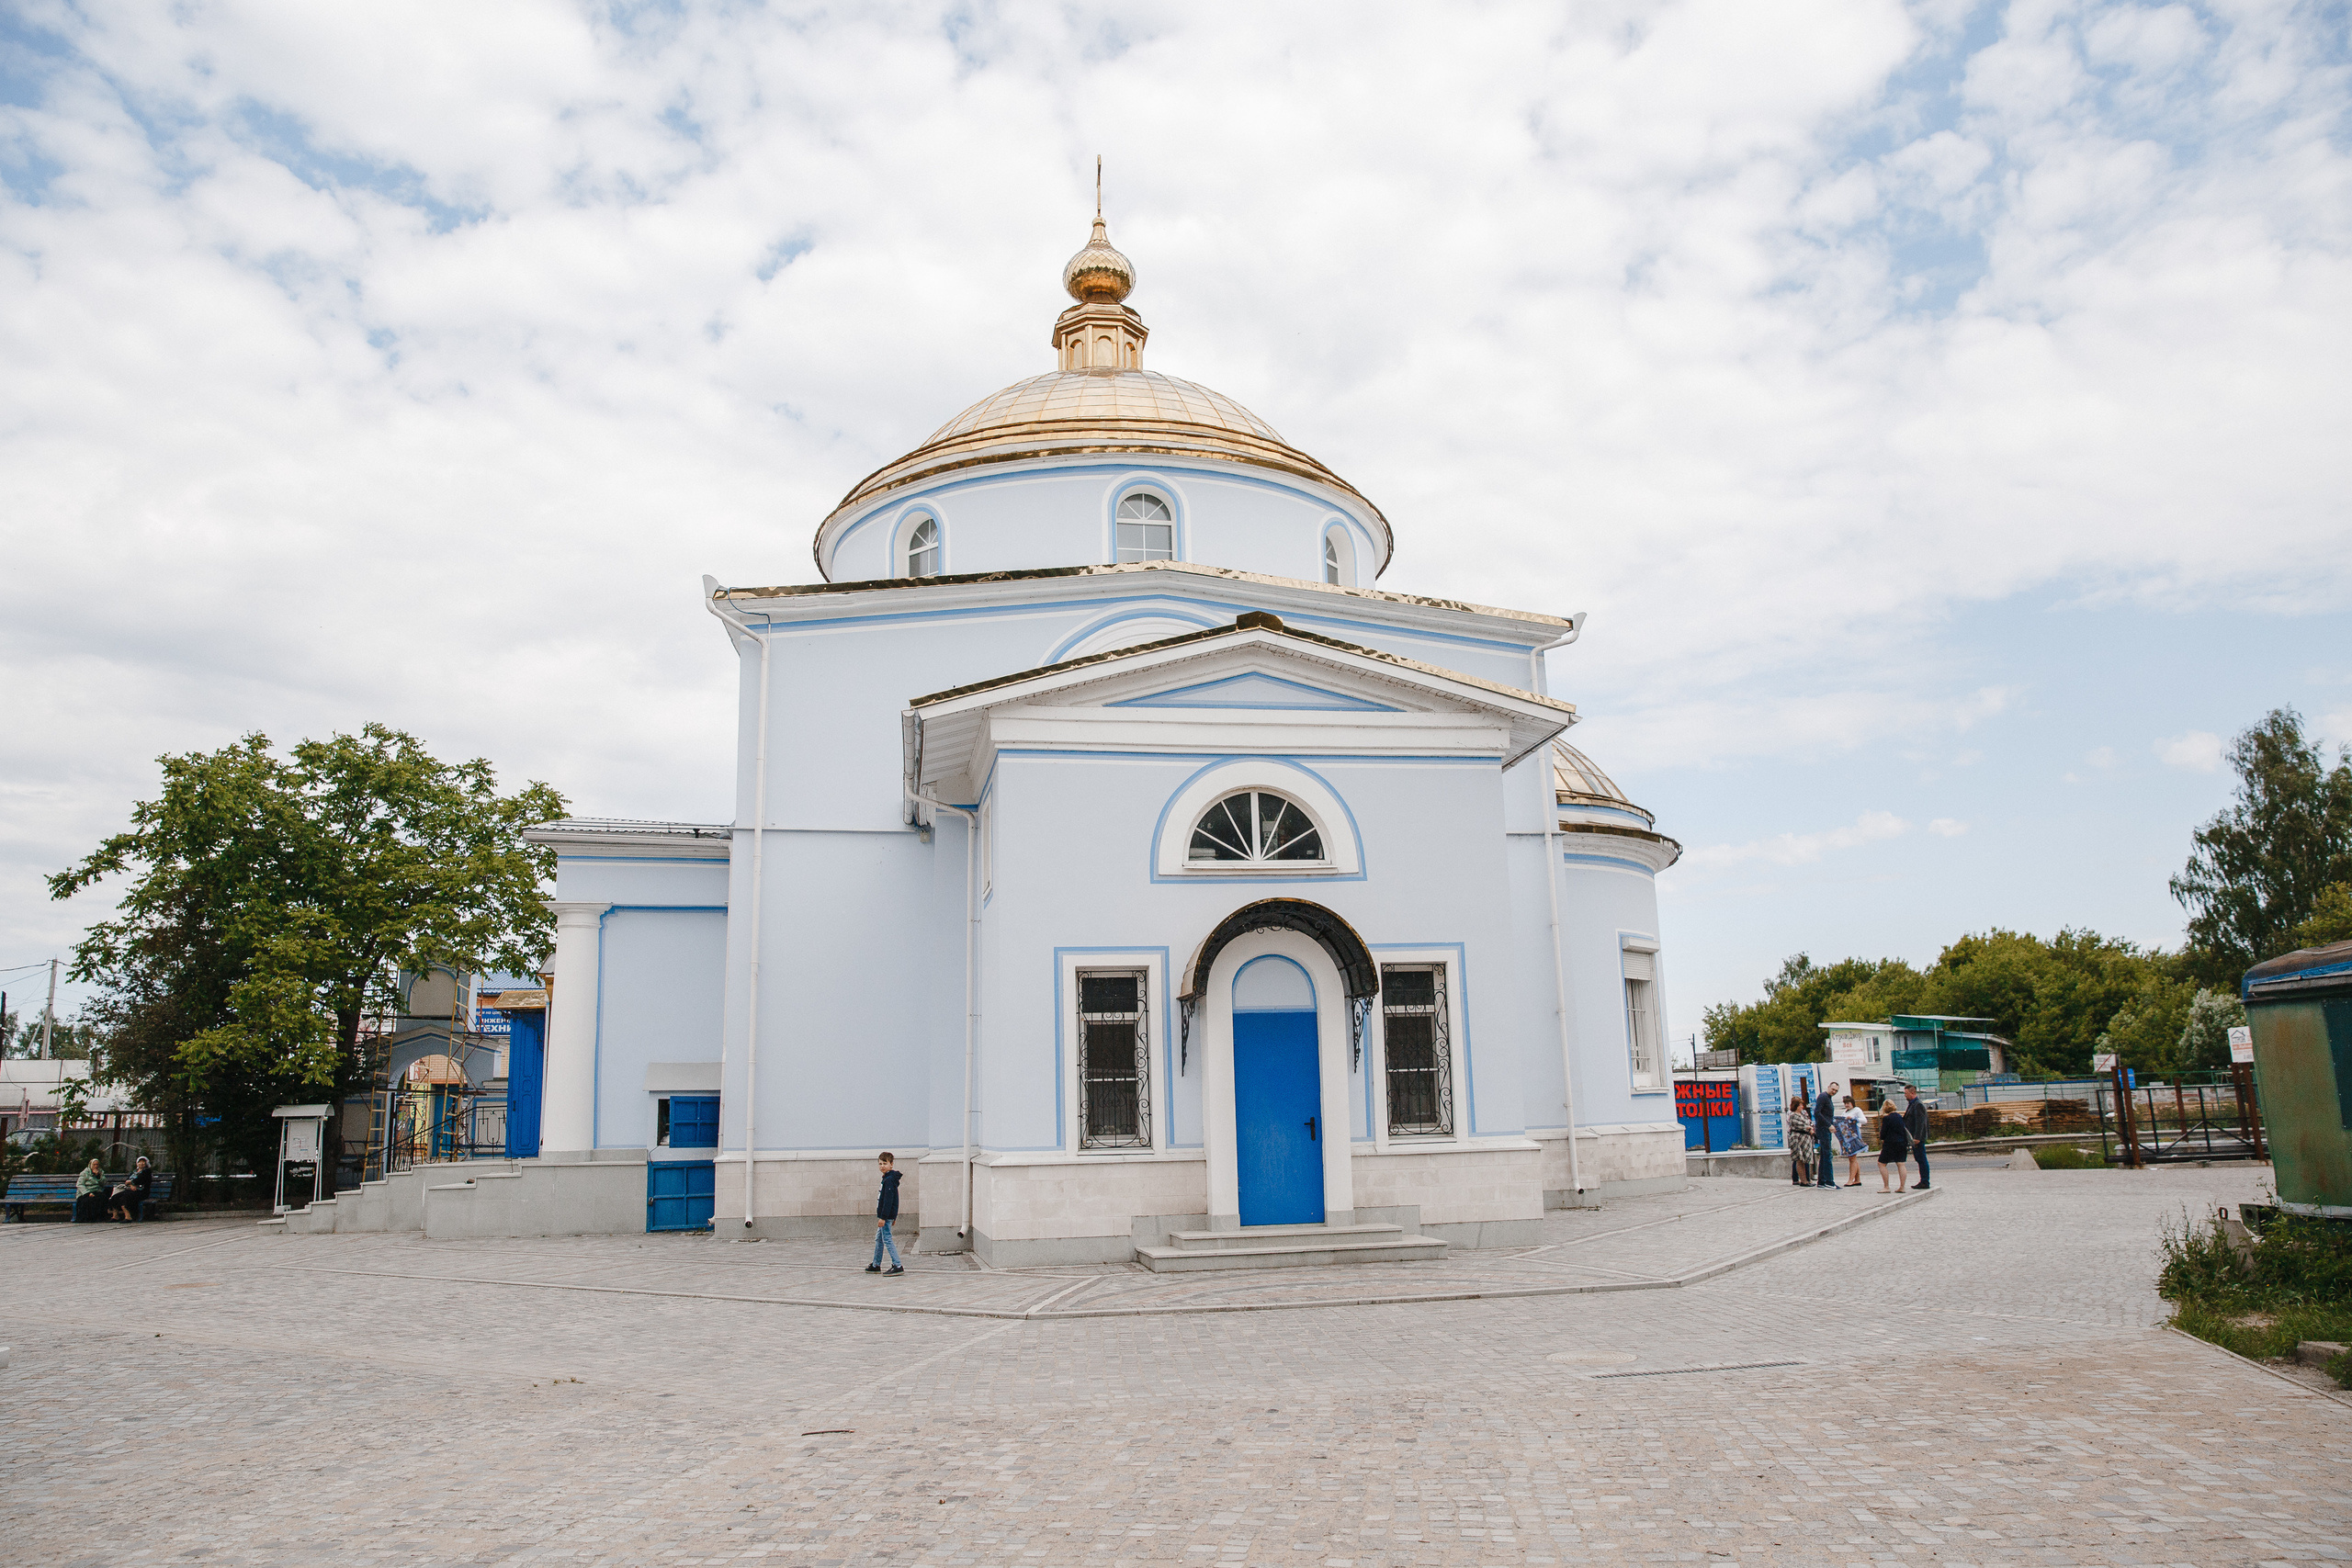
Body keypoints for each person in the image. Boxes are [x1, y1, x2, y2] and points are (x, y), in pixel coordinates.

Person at [865, 1151, 904, 1276]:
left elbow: (889, 1201)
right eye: (880, 1164)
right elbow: (895, 1200)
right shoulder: (887, 1179)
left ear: (891, 1164)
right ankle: (876, 1264)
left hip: (885, 1217)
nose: (882, 1166)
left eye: (885, 1163)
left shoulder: (889, 1180)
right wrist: (893, 1216)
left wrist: (884, 1217)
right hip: (887, 1216)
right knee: (879, 1239)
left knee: (886, 1239)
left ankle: (897, 1265)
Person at [1876, 1095, 1911, 1192]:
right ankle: (1902, 1187)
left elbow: (1883, 1134)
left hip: (1890, 1143)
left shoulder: (1887, 1119)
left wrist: (1882, 1137)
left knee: (1881, 1164)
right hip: (1902, 1143)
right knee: (1901, 1164)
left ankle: (1886, 1187)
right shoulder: (1899, 1117)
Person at [1814, 1082, 1843, 1189]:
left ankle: (1821, 1181)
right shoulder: (1823, 1097)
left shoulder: (1828, 1098)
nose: (1834, 1092)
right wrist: (1828, 1124)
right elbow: (1817, 1113)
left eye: (1836, 1091)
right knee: (1827, 1154)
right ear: (1829, 1087)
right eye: (1833, 1089)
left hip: (1826, 1128)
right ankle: (1829, 1181)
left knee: (1824, 1154)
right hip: (1823, 1129)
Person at [107, 1156, 154, 1222]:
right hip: (130, 1190)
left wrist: (131, 1182)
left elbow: (140, 1180)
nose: (142, 1163)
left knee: (124, 1198)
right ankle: (115, 1216)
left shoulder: (147, 1171)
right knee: (115, 1197)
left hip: (141, 1191)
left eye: (143, 1162)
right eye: (140, 1162)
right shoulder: (134, 1172)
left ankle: (128, 1216)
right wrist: (131, 1184)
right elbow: (126, 1182)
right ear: (137, 1163)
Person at [1904, 1083, 1932, 1190]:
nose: (1904, 1095)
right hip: (1914, 1137)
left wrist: (1917, 1138)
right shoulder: (1912, 1104)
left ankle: (1925, 1181)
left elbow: (1921, 1123)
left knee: (1921, 1159)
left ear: (1913, 1093)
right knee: (1919, 1159)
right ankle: (1923, 1180)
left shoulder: (1918, 1105)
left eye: (1906, 1093)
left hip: (1917, 1139)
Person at [1836, 1095, 1866, 1186]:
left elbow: (1864, 1120)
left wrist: (1854, 1119)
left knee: (1852, 1157)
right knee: (1852, 1158)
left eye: (1848, 1103)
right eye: (1845, 1103)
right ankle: (1857, 1179)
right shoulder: (1844, 1113)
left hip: (1854, 1136)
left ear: (1852, 1103)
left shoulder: (1857, 1110)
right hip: (1846, 1137)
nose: (1847, 1105)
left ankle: (1850, 1179)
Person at [1786, 1095, 1814, 1186]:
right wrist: (1808, 1127)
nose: (1802, 1107)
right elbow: (1799, 1125)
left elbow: (1809, 1122)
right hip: (1797, 1138)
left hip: (1805, 1138)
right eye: (1800, 1105)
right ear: (1796, 1106)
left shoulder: (1803, 1114)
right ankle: (1803, 1180)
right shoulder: (1793, 1115)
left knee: (1806, 1159)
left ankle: (1807, 1179)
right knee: (1799, 1159)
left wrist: (1811, 1128)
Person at [74, 1157, 108, 1223]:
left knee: (102, 1198)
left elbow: (103, 1183)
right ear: (90, 1165)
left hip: (96, 1191)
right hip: (85, 1192)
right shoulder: (84, 1173)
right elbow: (80, 1185)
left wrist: (98, 1176)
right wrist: (87, 1193)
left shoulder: (101, 1172)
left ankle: (99, 1218)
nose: (96, 1166)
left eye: (97, 1164)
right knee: (87, 1201)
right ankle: (87, 1218)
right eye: (94, 1165)